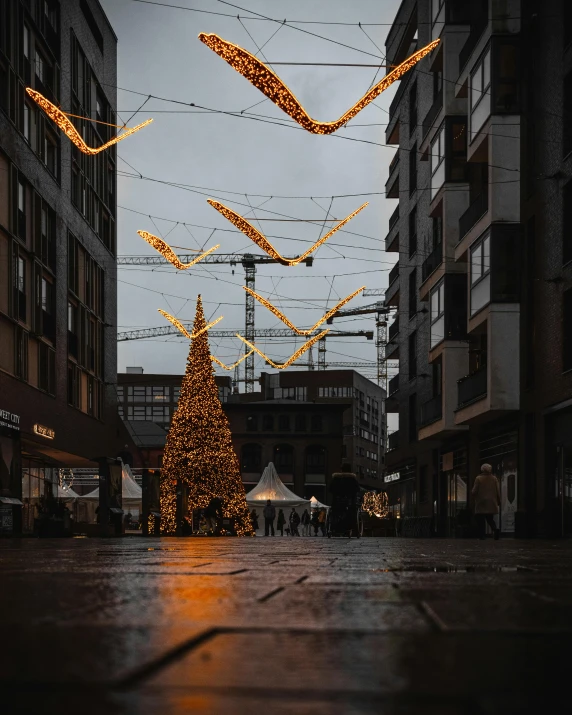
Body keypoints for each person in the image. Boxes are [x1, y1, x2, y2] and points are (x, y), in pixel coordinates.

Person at [471, 463, 501, 540]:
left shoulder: (478, 478)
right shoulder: (494, 478)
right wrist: (498, 500)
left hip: (481, 501)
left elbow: (474, 491)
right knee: (490, 518)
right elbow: (498, 491)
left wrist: (473, 494)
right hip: (491, 501)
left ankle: (482, 535)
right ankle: (495, 529)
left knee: (480, 518)